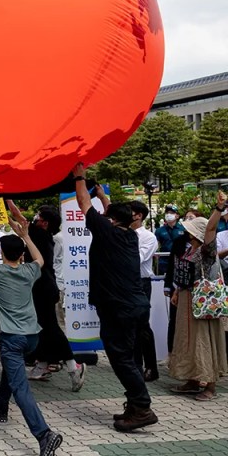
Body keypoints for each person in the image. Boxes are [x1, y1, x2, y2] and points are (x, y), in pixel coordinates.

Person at [72, 164, 156, 431]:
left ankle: (142, 407)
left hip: (118, 308)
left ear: (111, 220)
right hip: (134, 305)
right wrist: (103, 196)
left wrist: (79, 177)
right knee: (129, 357)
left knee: (120, 358)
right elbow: (112, 213)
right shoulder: (130, 235)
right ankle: (134, 405)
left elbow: (83, 202)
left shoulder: (106, 231)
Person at [0, 217, 64, 455]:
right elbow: (40, 259)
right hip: (32, 337)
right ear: (21, 255)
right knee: (11, 367)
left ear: (2, 253)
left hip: (11, 337)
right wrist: (26, 235)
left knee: (21, 387)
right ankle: (1, 403)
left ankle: (43, 434)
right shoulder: (29, 271)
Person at [12, 202, 85, 390]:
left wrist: (8, 201)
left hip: (43, 288)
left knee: (51, 328)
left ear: (45, 223)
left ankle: (73, 365)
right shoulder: (42, 235)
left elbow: (19, 220)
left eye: (39, 216)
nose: (35, 218)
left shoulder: (39, 235)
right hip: (39, 287)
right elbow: (17, 223)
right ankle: (43, 364)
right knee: (41, 328)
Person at [167, 199, 228, 401]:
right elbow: (185, 274)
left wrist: (218, 209)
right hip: (187, 300)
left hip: (203, 303)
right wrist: (177, 291)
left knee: (204, 341)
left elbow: (210, 228)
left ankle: (209, 385)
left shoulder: (206, 251)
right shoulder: (189, 248)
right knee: (187, 340)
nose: (187, 230)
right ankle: (192, 379)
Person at [127, 201, 160, 382]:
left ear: (138, 215)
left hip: (141, 283)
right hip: (125, 282)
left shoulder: (148, 237)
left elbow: (138, 259)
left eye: (129, 212)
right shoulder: (122, 233)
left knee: (142, 325)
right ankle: (135, 364)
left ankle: (151, 367)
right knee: (129, 325)